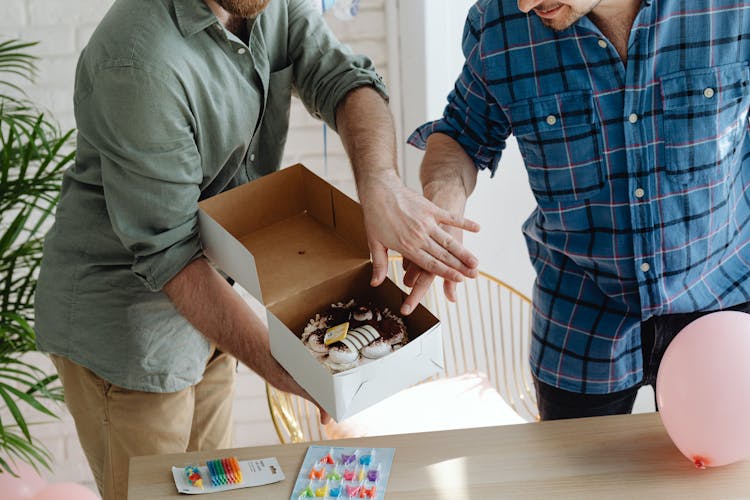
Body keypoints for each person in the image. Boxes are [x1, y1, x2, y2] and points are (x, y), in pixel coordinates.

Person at [33, 0, 479, 497]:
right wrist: (296, 372)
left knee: (216, 490)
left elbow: (346, 80)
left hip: (210, 298)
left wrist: (381, 185)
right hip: (126, 329)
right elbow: (170, 256)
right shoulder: (137, 62)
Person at [362, 0, 750, 421]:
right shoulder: (499, 25)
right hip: (579, 322)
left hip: (722, 304)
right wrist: (443, 203)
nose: (526, 3)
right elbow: (460, 136)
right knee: (576, 485)